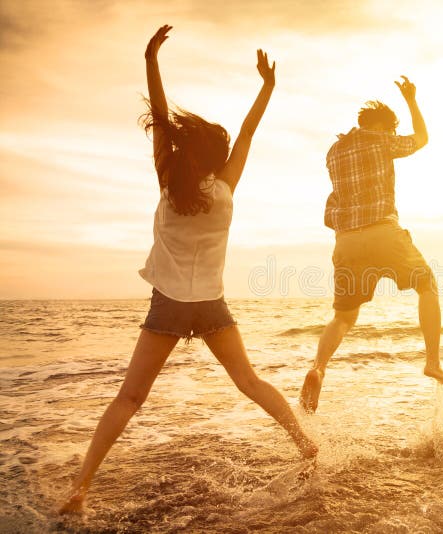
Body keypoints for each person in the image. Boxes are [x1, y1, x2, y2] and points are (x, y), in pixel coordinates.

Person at [59, 25, 317, 514]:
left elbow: (159, 120)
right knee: (250, 382)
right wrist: (267, 87)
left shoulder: (168, 183)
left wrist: (151, 61)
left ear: (182, 151)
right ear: (216, 158)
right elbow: (247, 133)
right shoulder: (224, 188)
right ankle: (303, 443)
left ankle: (81, 487)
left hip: (169, 305)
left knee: (130, 398)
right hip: (211, 304)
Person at [299, 76, 443, 414]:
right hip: (383, 231)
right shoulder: (381, 141)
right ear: (384, 126)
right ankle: (432, 362)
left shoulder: (334, 151)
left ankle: (318, 367)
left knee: (343, 317)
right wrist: (412, 100)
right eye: (391, 129)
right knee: (427, 285)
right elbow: (422, 139)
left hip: (346, 241)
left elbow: (332, 205)